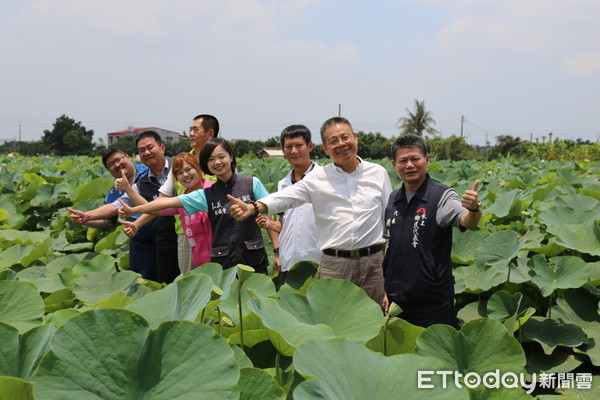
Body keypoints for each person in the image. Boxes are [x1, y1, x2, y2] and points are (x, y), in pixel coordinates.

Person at [229, 117, 392, 304]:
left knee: (372, 321)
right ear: (325, 148)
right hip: (335, 264)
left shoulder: (378, 173)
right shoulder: (318, 178)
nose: (341, 144)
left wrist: (389, 273)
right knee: (334, 319)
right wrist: (253, 207)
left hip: (374, 262)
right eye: (333, 141)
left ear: (355, 137)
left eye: (345, 137)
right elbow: (285, 197)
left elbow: (390, 221)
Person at [119, 138, 278, 274]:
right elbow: (164, 204)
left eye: (221, 156)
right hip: (223, 262)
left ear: (231, 157)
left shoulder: (251, 183)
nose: (217, 162)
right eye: (210, 159)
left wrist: (277, 251)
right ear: (206, 165)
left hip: (253, 258)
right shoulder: (205, 194)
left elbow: (269, 212)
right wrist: (134, 210)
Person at [382, 134, 482, 328]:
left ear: (427, 160)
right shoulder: (393, 199)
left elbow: (466, 221)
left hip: (431, 302)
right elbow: (389, 245)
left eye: (415, 159)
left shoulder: (441, 195)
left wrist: (474, 209)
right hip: (396, 301)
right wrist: (385, 288)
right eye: (403, 161)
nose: (409, 165)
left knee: (434, 355)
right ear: (394, 165)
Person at [68, 131, 179, 282]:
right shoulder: (137, 184)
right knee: (151, 284)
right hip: (146, 243)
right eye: (111, 165)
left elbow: (156, 207)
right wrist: (87, 216)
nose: (146, 153)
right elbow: (114, 208)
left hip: (183, 236)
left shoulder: (178, 168)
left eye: (150, 148)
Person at [132, 115, 220, 274]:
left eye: (195, 130)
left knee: (219, 278)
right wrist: (137, 223)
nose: (191, 134)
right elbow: (163, 202)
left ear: (210, 133)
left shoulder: (220, 161)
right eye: (190, 130)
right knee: (190, 283)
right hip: (188, 234)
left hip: (217, 231)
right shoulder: (183, 162)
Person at [119, 152, 212, 268]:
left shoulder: (208, 192)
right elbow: (155, 209)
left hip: (219, 255)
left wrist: (133, 210)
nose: (185, 175)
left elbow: (160, 204)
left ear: (199, 169)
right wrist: (128, 189)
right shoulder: (186, 196)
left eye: (189, 169)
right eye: (179, 173)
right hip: (199, 256)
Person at [255, 124, 321, 282]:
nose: (294, 151)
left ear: (310, 146)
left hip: (319, 262)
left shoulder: (324, 179)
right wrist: (270, 226)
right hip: (289, 261)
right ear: (283, 150)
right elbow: (285, 224)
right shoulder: (282, 185)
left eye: (299, 145)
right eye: (289, 147)